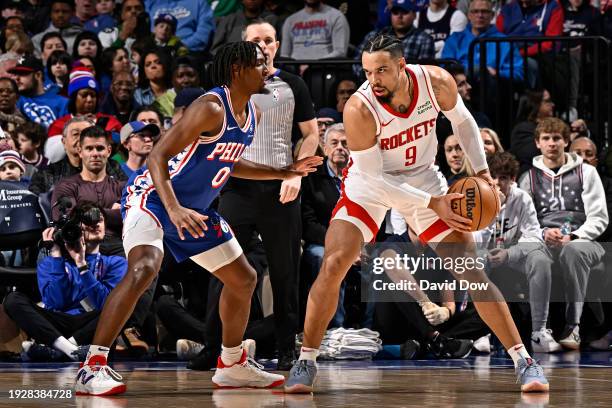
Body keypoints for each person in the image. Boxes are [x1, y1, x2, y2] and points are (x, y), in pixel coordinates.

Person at [285, 34, 549, 394]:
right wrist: (431, 204)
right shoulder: (359, 108)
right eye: (367, 71)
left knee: (470, 271)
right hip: (371, 185)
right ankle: (307, 359)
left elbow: (465, 123)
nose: (372, 79)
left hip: (423, 177)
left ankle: (523, 360)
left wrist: (482, 171)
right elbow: (377, 179)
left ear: (401, 66)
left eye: (381, 70)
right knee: (334, 262)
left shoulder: (435, 81)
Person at [74, 41, 321, 395]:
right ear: (237, 69)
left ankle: (232, 364)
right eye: (260, 64)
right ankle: (92, 366)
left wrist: (284, 171)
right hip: (157, 199)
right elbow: (157, 156)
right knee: (145, 267)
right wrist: (173, 208)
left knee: (243, 278)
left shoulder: (253, 112)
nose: (268, 70)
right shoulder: (209, 106)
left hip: (196, 210)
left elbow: (229, 161)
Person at [210, 21, 319, 371]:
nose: (263, 45)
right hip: (235, 187)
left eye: (269, 40)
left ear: (277, 44)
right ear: (242, 45)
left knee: (286, 271)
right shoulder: (228, 85)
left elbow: (311, 134)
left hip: (280, 185)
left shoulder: (294, 83)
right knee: (222, 267)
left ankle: (288, 347)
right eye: (255, 40)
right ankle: (214, 345)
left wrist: (297, 175)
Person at [518, 118, 608, 350]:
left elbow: (599, 217)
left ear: (566, 141)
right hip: (543, 239)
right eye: (546, 139)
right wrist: (544, 233)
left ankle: (573, 327)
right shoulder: (528, 177)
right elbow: (524, 221)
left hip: (583, 240)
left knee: (572, 251)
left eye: (557, 138)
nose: (552, 144)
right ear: (538, 143)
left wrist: (573, 235)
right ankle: (539, 331)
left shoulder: (586, 172)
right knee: (537, 259)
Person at [3, 202, 126, 362]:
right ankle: (72, 351)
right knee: (13, 300)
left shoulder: (116, 263)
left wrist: (82, 266)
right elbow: (56, 303)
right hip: (57, 323)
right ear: (74, 227)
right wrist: (56, 255)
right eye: (87, 221)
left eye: (100, 220)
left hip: (91, 325)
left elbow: (105, 305)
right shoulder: (52, 262)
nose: (95, 224)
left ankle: (58, 350)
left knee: (125, 305)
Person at [354, 0, 435, 79]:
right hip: (372, 85)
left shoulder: (424, 39)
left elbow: (424, 72)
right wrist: (371, 77)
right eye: (395, 13)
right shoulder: (374, 35)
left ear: (414, 15)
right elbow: (356, 62)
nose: (399, 16)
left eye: (405, 12)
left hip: (408, 88)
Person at [10, 55, 69, 130]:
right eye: (15, 74)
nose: (17, 78)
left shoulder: (62, 102)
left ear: (38, 75)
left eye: (23, 73)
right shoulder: (14, 100)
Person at [281, 0, 350, 59]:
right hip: (294, 70)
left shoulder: (337, 17)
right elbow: (284, 55)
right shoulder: (290, 20)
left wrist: (312, 65)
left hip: (324, 69)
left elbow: (340, 52)